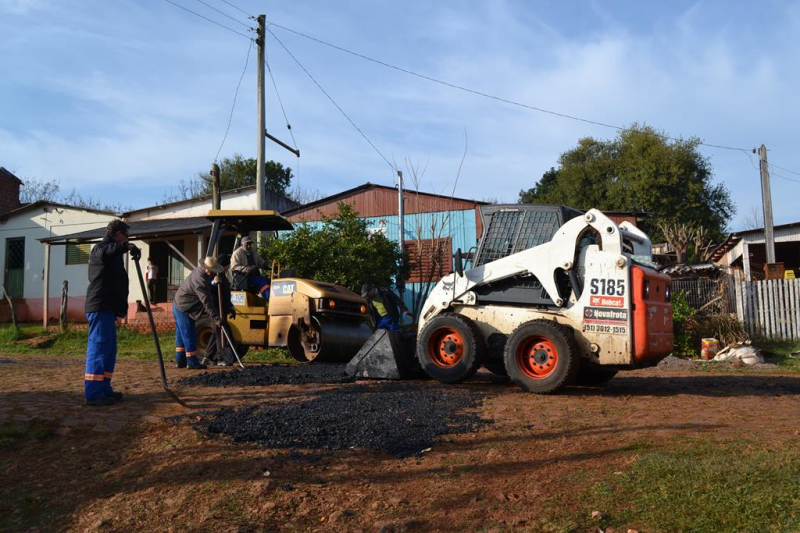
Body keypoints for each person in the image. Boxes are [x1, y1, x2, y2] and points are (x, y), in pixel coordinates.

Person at [84, 220, 140, 407]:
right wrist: (125, 247)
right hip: (99, 306)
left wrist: (119, 309)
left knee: (109, 351)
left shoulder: (114, 254)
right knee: (99, 349)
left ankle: (104, 387)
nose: (127, 239)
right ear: (118, 234)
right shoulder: (100, 249)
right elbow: (106, 251)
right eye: (126, 236)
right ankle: (93, 394)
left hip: (108, 308)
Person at [172, 256, 224, 370]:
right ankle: (192, 362)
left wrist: (213, 283)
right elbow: (206, 300)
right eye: (212, 271)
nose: (213, 273)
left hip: (179, 304)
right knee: (189, 334)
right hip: (184, 307)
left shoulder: (201, 273)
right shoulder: (199, 279)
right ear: (206, 269)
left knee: (181, 335)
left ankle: (180, 361)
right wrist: (215, 316)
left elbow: (206, 285)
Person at [202, 254, 237, 367]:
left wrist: (231, 307)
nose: (228, 268)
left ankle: (207, 357)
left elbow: (226, 295)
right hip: (215, 310)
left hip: (223, 309)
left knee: (216, 332)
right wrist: (213, 283)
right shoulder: (213, 275)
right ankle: (220, 358)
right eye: (227, 266)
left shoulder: (224, 277)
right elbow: (206, 290)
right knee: (220, 333)